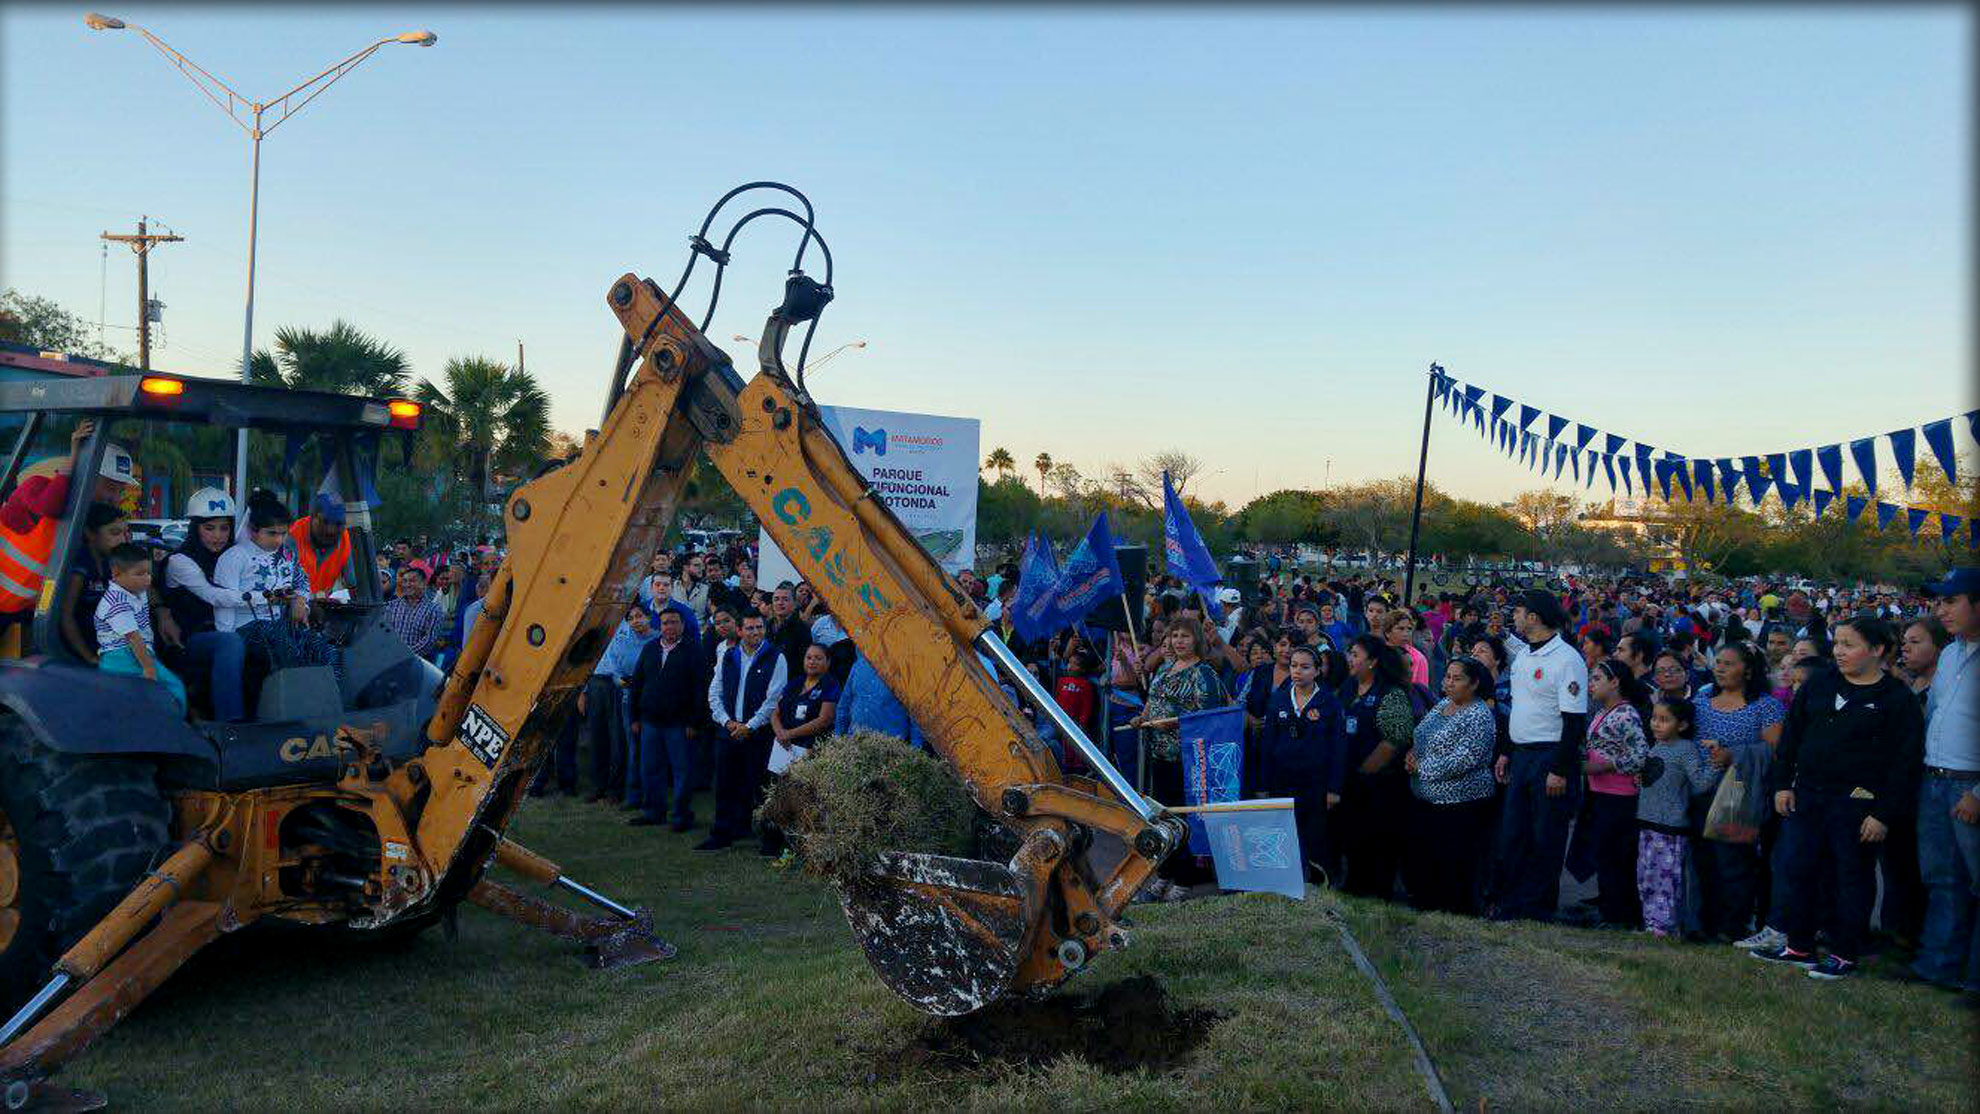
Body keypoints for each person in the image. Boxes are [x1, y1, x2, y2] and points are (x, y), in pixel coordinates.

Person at [1757, 617, 1924, 979]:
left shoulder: (1896, 700)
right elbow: (1791, 739)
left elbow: (1905, 762)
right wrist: (1783, 783)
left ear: (1878, 650)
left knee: (1850, 876)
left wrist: (1882, 813)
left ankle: (1845, 951)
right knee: (1799, 869)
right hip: (1808, 796)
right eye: (1838, 643)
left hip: (1858, 803)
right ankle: (1798, 945)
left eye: (1850, 644)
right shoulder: (1820, 684)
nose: (1840, 651)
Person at [1490, 589, 1589, 923]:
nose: (1513, 617)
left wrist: (1560, 768)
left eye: (1517, 612)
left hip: (1551, 755)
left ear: (1533, 616)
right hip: (1522, 754)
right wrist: (1506, 750)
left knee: (1546, 834)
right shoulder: (1525, 657)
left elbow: (1574, 721)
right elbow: (1518, 709)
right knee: (1514, 833)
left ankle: (1538, 907)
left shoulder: (1567, 659)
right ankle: (1512, 901)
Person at [1911, 568, 1979, 1001]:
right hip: (1934, 778)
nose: (1942, 610)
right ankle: (1938, 966)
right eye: (1940, 601)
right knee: (1942, 879)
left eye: (1951, 601)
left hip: (1969, 785)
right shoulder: (1952, 654)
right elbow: (1935, 714)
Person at [1, 421, 135, 631]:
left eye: (121, 491)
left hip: (32, 613)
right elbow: (50, 506)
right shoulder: (36, 486)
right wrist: (74, 455)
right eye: (110, 487)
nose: (115, 499)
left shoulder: (89, 523)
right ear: (85, 475)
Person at [1693, 642, 1785, 942]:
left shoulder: (1764, 705)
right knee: (1704, 860)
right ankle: (1704, 921)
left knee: (1734, 863)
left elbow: (1776, 750)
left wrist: (1735, 755)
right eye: (1717, 661)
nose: (1719, 668)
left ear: (1747, 670)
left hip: (1739, 794)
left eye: (1728, 663)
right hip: (1701, 789)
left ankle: (1732, 925)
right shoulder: (1703, 699)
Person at [1139, 618, 1230, 898]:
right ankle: (1165, 872)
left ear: (1197, 640)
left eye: (1185, 636)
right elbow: (1153, 702)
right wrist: (1141, 718)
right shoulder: (1164, 668)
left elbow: (1209, 717)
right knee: (1163, 815)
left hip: (1188, 759)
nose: (1179, 641)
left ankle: (1184, 878)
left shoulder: (1204, 674)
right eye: (1174, 635)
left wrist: (1174, 723)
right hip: (1159, 754)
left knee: (1184, 818)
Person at [215, 491, 344, 687]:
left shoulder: (287, 555)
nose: (278, 540)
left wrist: (301, 602)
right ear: (253, 530)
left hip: (282, 626)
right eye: (272, 533)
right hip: (247, 628)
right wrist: (227, 643)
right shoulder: (235, 557)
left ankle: (330, 703)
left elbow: (302, 582)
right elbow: (223, 603)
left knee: (328, 651)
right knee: (290, 652)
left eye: (283, 534)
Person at [1405, 656, 1499, 914]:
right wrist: (1413, 753)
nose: (1449, 683)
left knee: (1457, 860)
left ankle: (1457, 909)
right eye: (1447, 677)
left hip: (1462, 801)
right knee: (1430, 856)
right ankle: (1430, 902)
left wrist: (1421, 768)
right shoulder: (1444, 704)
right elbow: (1421, 734)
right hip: (1428, 798)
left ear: (1474, 684)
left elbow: (1465, 759)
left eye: (1457, 679)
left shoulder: (1479, 714)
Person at [1258, 645, 1347, 883]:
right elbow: (1267, 744)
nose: (1298, 671)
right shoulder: (1279, 699)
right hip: (1283, 779)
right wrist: (1264, 785)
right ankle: (1286, 885)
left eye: (1305, 667)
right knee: (1285, 834)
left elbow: (1338, 748)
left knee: (1316, 837)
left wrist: (1334, 788)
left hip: (1315, 782)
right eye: (1294, 666)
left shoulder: (1329, 702)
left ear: (1317, 671)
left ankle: (1319, 886)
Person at [1337, 634, 1416, 901]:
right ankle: (1354, 885)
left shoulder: (1390, 693)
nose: (1350, 658)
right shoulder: (1347, 687)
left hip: (1381, 783)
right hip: (1351, 780)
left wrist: (1366, 771)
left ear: (1372, 662)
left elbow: (1394, 738)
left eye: (1356, 654)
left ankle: (1380, 891)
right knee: (1352, 836)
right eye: (1350, 653)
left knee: (1380, 839)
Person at [160, 489, 248, 722]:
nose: (218, 536)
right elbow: (213, 596)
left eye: (224, 528)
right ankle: (230, 725)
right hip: (190, 640)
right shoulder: (180, 561)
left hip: (229, 629)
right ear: (195, 528)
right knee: (229, 643)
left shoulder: (236, 556)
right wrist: (265, 597)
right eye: (209, 528)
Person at [703, 611, 788, 850]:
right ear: (739, 631)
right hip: (728, 731)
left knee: (762, 788)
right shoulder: (728, 656)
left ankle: (770, 841)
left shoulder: (776, 657)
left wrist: (749, 726)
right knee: (725, 785)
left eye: (759, 627)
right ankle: (722, 835)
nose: (755, 632)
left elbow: (773, 699)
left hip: (758, 734)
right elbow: (714, 693)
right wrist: (727, 722)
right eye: (750, 628)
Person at [1637, 697, 1716, 937]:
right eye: (1654, 718)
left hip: (1670, 827)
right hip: (1648, 822)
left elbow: (1701, 783)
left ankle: (1666, 926)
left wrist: (1716, 762)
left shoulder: (1685, 749)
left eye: (1664, 720)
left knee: (1666, 879)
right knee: (1646, 875)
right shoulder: (1655, 746)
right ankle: (1652, 922)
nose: (1656, 725)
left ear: (1681, 725)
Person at [628, 608, 710, 832]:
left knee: (681, 772)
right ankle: (653, 812)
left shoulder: (694, 651)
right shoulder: (650, 648)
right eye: (665, 623)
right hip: (650, 722)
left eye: (674, 623)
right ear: (659, 626)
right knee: (650, 769)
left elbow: (700, 690)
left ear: (682, 625)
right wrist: (634, 717)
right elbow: (637, 684)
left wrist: (695, 722)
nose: (669, 627)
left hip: (679, 724)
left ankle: (681, 816)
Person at [1584, 658, 1650, 928]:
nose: (1592, 683)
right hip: (1601, 793)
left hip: (1619, 797)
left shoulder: (1625, 713)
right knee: (1604, 854)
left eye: (1598, 678)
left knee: (1615, 857)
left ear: (1615, 682)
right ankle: (1611, 912)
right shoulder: (1603, 711)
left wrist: (1605, 765)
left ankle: (1621, 916)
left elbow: (1640, 755)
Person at [763, 643, 841, 855]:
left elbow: (825, 719)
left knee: (804, 798)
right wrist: (780, 732)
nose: (812, 662)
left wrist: (790, 734)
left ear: (828, 662)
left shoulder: (830, 685)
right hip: (783, 750)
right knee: (777, 796)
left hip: (809, 750)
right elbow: (774, 712)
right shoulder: (795, 682)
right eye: (809, 657)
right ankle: (771, 842)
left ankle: (802, 847)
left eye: (818, 658)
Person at [94, 542, 187, 714]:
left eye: (149, 573)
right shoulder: (118, 603)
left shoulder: (136, 590)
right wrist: (149, 668)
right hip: (123, 656)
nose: (148, 579)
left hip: (136, 653)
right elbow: (133, 638)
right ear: (116, 574)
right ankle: (176, 728)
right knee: (174, 687)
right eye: (140, 574)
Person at [582, 603, 655, 804]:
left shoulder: (629, 624)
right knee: (597, 735)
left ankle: (615, 788)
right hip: (597, 682)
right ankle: (598, 785)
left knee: (619, 740)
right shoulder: (594, 620)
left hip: (620, 685)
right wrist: (584, 690)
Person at [289, 493, 352, 600]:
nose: (330, 530)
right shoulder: (292, 537)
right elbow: (285, 589)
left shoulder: (347, 541)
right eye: (325, 521)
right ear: (312, 517)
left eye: (338, 524)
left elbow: (356, 585)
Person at [381, 562, 445, 659]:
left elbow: (429, 641)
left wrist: (405, 655)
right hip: (390, 659)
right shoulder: (391, 606)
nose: (407, 584)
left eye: (412, 581)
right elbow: (384, 633)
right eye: (405, 581)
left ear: (424, 583)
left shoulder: (434, 610)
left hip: (417, 664)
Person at [1381, 610, 1430, 689]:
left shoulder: (1418, 659)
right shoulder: (1377, 653)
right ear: (1387, 632)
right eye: (1401, 629)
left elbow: (1421, 692)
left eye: (1409, 629)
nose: (1406, 633)